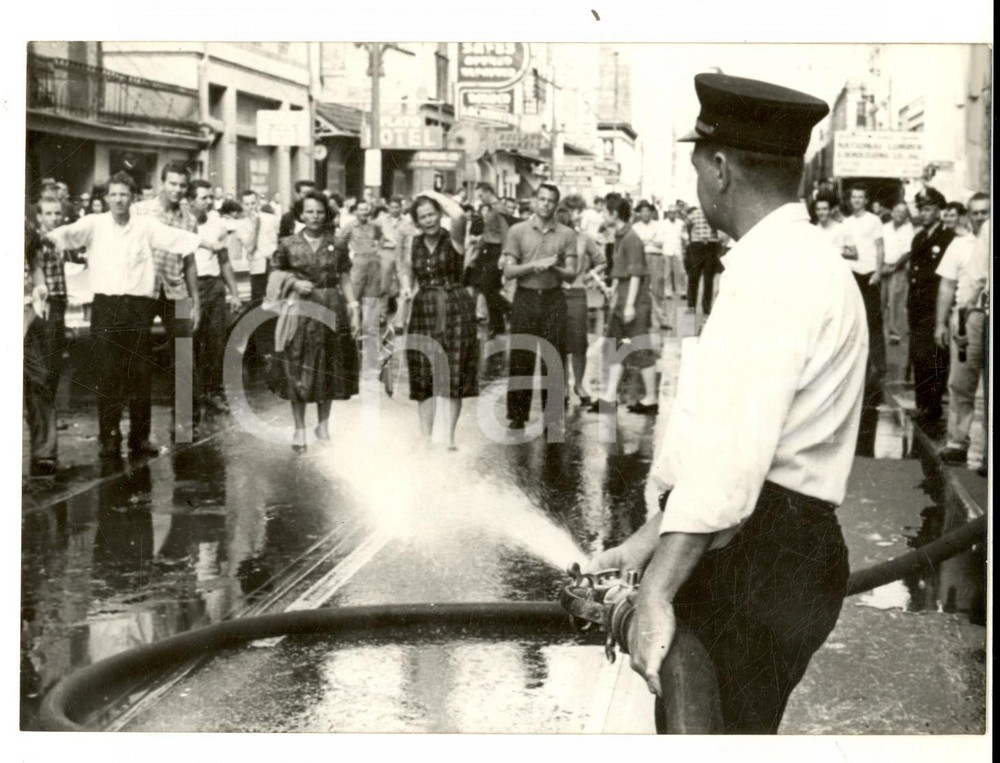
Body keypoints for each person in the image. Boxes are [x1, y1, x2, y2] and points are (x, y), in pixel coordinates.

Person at [586, 73, 867, 735]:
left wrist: (654, 593)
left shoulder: (775, 275)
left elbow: (730, 461)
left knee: (707, 726)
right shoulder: (798, 260)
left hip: (760, 549)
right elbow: (724, 445)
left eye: (695, 168)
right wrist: (642, 544)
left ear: (718, 168)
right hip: (777, 541)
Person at [44, 172, 202, 458]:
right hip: (106, 306)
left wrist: (211, 242)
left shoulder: (146, 226)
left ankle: (140, 438)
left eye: (124, 195)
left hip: (138, 306)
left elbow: (180, 240)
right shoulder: (94, 224)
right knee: (107, 373)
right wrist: (43, 238)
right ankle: (109, 436)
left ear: (133, 198)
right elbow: (65, 235)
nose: (118, 200)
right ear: (106, 198)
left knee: (140, 372)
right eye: (114, 194)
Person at [268, 192, 360, 452]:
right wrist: (295, 282)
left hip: (331, 306)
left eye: (319, 212)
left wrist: (353, 306)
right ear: (300, 214)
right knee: (296, 365)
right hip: (300, 308)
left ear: (326, 214)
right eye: (309, 212)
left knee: (327, 365)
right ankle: (299, 428)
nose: (314, 217)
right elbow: (276, 273)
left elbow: (344, 276)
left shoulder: (337, 244)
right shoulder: (288, 243)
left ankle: (323, 426)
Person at [397, 193, 479, 449]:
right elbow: (406, 271)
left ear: (439, 214)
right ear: (417, 221)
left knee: (454, 370)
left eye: (432, 214)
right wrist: (406, 289)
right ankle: (425, 436)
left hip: (455, 306)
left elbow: (460, 215)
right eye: (422, 217)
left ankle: (449, 437)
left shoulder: (453, 237)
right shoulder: (413, 243)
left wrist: (432, 194)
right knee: (424, 370)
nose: (428, 220)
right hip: (424, 308)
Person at [132, 161, 203, 441]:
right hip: (143, 291)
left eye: (182, 185)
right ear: (162, 182)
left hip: (176, 291)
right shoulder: (140, 211)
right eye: (172, 183)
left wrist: (196, 300)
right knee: (138, 362)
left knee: (184, 358)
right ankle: (139, 435)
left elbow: (190, 263)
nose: (177, 190)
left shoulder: (189, 219)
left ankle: (185, 425)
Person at [503, 184, 577, 430]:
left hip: (553, 297)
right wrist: (534, 265)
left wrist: (553, 267)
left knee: (553, 356)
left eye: (551, 201)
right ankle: (517, 414)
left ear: (557, 205)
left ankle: (552, 416)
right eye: (542, 199)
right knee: (522, 354)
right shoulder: (518, 230)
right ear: (534, 201)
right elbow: (508, 271)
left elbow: (571, 274)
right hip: (525, 297)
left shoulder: (566, 234)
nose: (545, 204)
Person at [589, 193, 659, 415]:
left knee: (639, 347)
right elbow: (621, 272)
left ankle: (651, 399)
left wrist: (629, 305)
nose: (602, 215)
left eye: (605, 212)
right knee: (616, 347)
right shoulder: (620, 237)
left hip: (634, 302)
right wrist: (613, 291)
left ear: (614, 214)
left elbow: (637, 275)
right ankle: (610, 397)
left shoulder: (631, 238)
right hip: (622, 300)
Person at [935, 193, 989, 464]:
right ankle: (957, 441)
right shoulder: (960, 245)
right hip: (966, 318)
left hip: (986, 314)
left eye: (985, 212)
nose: (981, 217)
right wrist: (941, 323)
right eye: (976, 212)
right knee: (960, 383)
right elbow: (946, 286)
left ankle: (981, 449)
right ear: (968, 215)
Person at [188, 180, 245, 417]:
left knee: (215, 342)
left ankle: (213, 393)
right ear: (191, 200)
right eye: (204, 197)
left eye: (211, 197)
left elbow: (224, 260)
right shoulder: (183, 222)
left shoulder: (218, 223)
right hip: (190, 287)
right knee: (189, 344)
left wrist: (234, 291)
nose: (209, 201)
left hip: (214, 286)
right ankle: (191, 399)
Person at [24, 197, 70, 476]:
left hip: (26, 314)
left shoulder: (26, 230)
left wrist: (40, 288)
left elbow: (34, 261)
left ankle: (44, 451)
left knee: (40, 379)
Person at [907, 187, 955, 428]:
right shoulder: (919, 238)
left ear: (938, 211)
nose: (923, 214)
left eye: (927, 209)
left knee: (934, 358)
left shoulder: (947, 239)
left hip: (934, 307)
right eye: (921, 209)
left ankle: (932, 407)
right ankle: (922, 404)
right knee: (918, 356)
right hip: (917, 307)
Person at [560, 197, 607, 407]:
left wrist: (589, 276)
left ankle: (579, 385)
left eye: (578, 211)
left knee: (579, 344)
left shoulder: (583, 238)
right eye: (571, 211)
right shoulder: (554, 237)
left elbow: (602, 261)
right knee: (558, 343)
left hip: (577, 293)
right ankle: (562, 387)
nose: (575, 216)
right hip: (556, 293)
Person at [840, 185, 886, 379]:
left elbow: (880, 247)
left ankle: (879, 365)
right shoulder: (846, 222)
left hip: (869, 274)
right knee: (854, 319)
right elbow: (845, 248)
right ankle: (858, 363)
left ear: (866, 200)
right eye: (854, 197)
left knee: (873, 320)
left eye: (861, 197)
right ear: (850, 200)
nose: (857, 200)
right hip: (852, 273)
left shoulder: (873, 220)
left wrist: (878, 272)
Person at [633, 200, 670, 330]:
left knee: (657, 289)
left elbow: (660, 241)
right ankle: (644, 319)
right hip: (640, 257)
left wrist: (646, 241)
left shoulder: (658, 225)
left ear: (652, 212)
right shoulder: (635, 227)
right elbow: (636, 243)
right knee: (641, 289)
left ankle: (662, 319)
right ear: (639, 213)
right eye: (642, 211)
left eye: (648, 211)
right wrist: (649, 240)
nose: (645, 214)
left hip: (655, 257)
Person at [881, 202, 915, 345]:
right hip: (883, 267)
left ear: (906, 214)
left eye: (903, 212)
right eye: (897, 211)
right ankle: (880, 333)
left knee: (895, 301)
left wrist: (894, 267)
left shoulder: (909, 229)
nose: (900, 214)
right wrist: (881, 267)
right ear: (892, 212)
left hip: (898, 269)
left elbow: (907, 252)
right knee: (881, 301)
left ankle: (894, 333)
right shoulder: (885, 228)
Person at [684, 204, 720, 314]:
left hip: (711, 246)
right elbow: (685, 227)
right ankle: (691, 307)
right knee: (693, 276)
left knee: (709, 278)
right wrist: (689, 241)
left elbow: (720, 230)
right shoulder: (694, 214)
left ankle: (706, 307)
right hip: (696, 246)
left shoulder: (714, 214)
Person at [659, 204, 688, 300]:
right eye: (670, 212)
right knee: (667, 273)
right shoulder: (663, 223)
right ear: (667, 213)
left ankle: (682, 291)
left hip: (677, 250)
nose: (672, 214)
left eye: (674, 212)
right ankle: (668, 292)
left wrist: (685, 239)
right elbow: (660, 237)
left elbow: (685, 236)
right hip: (666, 250)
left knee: (681, 272)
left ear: (676, 213)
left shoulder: (681, 223)